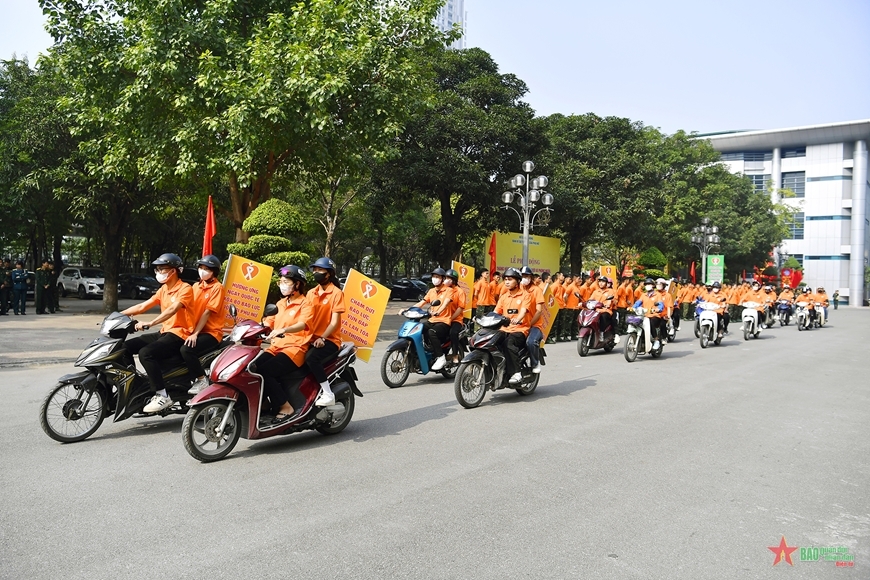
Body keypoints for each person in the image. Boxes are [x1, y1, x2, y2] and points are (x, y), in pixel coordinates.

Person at [120, 253, 194, 413]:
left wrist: (151, 322)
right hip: (165, 332)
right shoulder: (164, 289)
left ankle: (162, 395)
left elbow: (173, 309)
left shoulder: (185, 289)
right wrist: (118, 315)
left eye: (162, 269)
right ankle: (136, 387)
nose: (158, 272)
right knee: (124, 347)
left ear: (173, 271)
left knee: (146, 353)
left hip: (180, 334)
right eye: (157, 269)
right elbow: (143, 306)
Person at [260, 265, 313, 422]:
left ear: (297, 284)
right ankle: (263, 403)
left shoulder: (305, 303)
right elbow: (268, 322)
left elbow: (303, 324)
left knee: (266, 371)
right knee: (252, 368)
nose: (282, 285)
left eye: (286, 281)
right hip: (275, 347)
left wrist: (284, 329)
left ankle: (285, 406)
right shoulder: (281, 303)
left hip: (294, 349)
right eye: (281, 282)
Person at [303, 257, 347, 407]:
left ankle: (328, 393)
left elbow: (334, 322)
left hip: (329, 340)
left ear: (328, 274)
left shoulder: (336, 293)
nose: (316, 273)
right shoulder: (311, 293)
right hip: (310, 338)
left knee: (311, 358)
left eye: (320, 270)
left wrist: (322, 337)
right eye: (314, 270)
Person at [183, 255, 227, 395]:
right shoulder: (196, 286)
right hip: (194, 330)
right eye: (201, 268)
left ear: (214, 271)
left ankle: (202, 379)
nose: (202, 271)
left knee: (186, 350)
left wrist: (195, 334)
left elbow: (207, 313)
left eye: (206, 269)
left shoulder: (217, 288)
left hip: (211, 333)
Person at [408, 267, 453, 371]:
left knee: (432, 332)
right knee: (417, 328)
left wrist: (438, 311)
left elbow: (445, 303)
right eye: (433, 276)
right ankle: (424, 351)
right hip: (432, 320)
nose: (435, 279)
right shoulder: (431, 291)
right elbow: (422, 302)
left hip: (444, 321)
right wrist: (408, 309)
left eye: (437, 277)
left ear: (442, 279)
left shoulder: (449, 290)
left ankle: (440, 357)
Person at [493, 268, 532, 383]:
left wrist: (518, 319)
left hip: (520, 330)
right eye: (505, 279)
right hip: (505, 329)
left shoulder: (525, 295)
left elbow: (524, 311)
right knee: (490, 340)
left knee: (508, 343)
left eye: (510, 279)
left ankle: (516, 372)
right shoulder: (504, 296)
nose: (506, 282)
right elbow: (496, 312)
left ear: (518, 281)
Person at [520, 267, 545, 373]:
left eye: (527, 276)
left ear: (531, 277)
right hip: (518, 324)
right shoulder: (517, 288)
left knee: (531, 342)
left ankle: (535, 363)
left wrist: (529, 323)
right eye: (522, 276)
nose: (524, 278)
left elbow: (538, 311)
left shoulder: (537, 290)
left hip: (534, 325)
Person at [635, 277, 666, 349]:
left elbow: (661, 304)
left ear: (653, 285)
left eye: (649, 284)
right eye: (646, 284)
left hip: (654, 315)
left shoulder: (658, 295)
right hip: (644, 315)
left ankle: (656, 340)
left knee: (650, 322)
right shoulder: (643, 295)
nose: (647, 286)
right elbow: (638, 302)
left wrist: (658, 309)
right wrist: (633, 307)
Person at [444, 269, 466, 363]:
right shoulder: (444, 290)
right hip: (443, 318)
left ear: (454, 280)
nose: (446, 280)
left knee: (453, 333)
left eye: (449, 278)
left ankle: (455, 354)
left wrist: (451, 318)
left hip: (456, 319)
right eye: (446, 278)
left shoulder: (460, 292)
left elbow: (460, 308)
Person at [588, 275, 616, 342]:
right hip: (596, 310)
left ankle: (601, 333)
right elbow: (590, 299)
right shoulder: (595, 292)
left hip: (605, 310)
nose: (601, 283)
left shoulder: (610, 291)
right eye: (600, 281)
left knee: (603, 316)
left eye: (603, 282)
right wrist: (585, 303)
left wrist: (608, 304)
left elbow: (611, 299)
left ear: (606, 283)